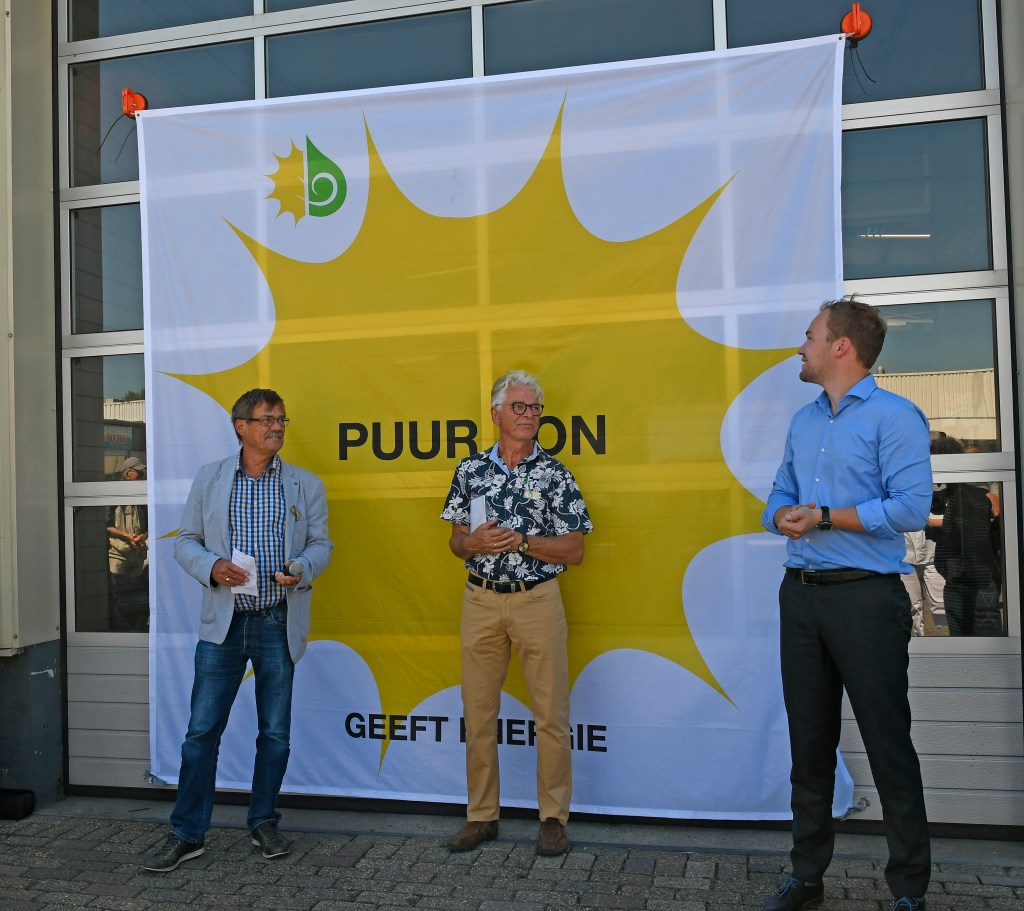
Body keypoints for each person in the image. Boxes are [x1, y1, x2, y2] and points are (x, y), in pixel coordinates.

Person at [760, 298, 932, 911]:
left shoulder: (896, 417)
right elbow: (778, 493)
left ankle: (908, 888)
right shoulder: (803, 421)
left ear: (841, 346)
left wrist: (827, 517)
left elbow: (911, 507)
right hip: (801, 598)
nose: (799, 347)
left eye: (809, 336)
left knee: (888, 745)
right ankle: (806, 878)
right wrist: (781, 513)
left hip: (866, 600)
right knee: (809, 747)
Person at [143, 388, 333, 873]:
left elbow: (321, 544)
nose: (277, 427)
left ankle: (263, 821)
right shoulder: (210, 478)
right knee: (201, 733)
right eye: (267, 419)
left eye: (282, 419)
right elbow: (185, 541)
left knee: (275, 734)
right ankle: (187, 833)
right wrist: (212, 566)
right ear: (240, 426)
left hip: (277, 621)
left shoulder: (305, 484)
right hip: (223, 625)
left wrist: (301, 569)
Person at [440, 369, 592, 857]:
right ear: (496, 414)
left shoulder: (555, 474)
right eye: (519, 407)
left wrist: (523, 541)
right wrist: (471, 543)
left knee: (551, 715)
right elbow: (455, 541)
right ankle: (481, 816)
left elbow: (575, 550)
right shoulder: (470, 471)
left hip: (537, 600)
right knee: (478, 714)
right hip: (480, 599)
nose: (529, 415)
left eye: (535, 408)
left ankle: (553, 818)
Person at [106, 457, 149, 632]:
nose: (141, 476)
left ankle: (136, 630)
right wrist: (127, 537)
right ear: (127, 473)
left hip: (138, 554)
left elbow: (149, 523)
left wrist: (141, 537)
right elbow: (107, 525)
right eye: (138, 472)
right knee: (116, 596)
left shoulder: (143, 493)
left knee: (137, 599)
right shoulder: (115, 493)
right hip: (118, 554)